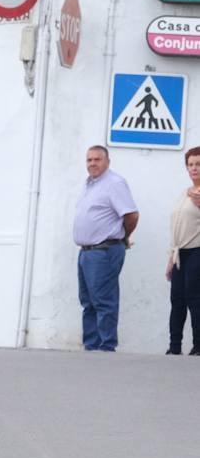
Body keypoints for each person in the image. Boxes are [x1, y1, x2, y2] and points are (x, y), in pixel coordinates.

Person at [73, 145, 138, 352]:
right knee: (88, 302)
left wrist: (124, 237)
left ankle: (106, 347)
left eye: (97, 159)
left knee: (103, 300)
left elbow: (131, 215)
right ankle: (91, 346)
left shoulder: (114, 183)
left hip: (104, 251)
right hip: (87, 252)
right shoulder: (89, 185)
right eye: (89, 160)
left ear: (107, 161)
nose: (92, 163)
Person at [166, 148, 200, 355]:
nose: (194, 168)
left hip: (197, 250)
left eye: (198, 164)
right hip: (180, 253)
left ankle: (199, 346)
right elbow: (177, 226)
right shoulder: (185, 192)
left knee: (195, 298)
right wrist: (171, 258)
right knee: (177, 299)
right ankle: (174, 346)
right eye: (191, 164)